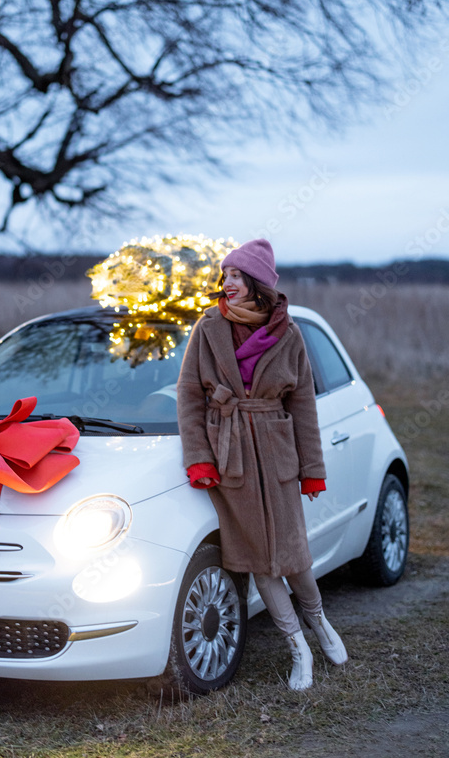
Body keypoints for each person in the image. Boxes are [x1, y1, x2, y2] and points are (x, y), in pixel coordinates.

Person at [177, 238, 347, 690]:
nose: (226, 283)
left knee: (292, 554)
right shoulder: (207, 327)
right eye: (225, 275)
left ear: (256, 284)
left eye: (235, 276)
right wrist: (199, 458)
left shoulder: (288, 334)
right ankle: (298, 648)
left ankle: (319, 622)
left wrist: (313, 468)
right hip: (230, 455)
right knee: (259, 560)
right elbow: (190, 396)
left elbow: (304, 404)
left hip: (276, 451)